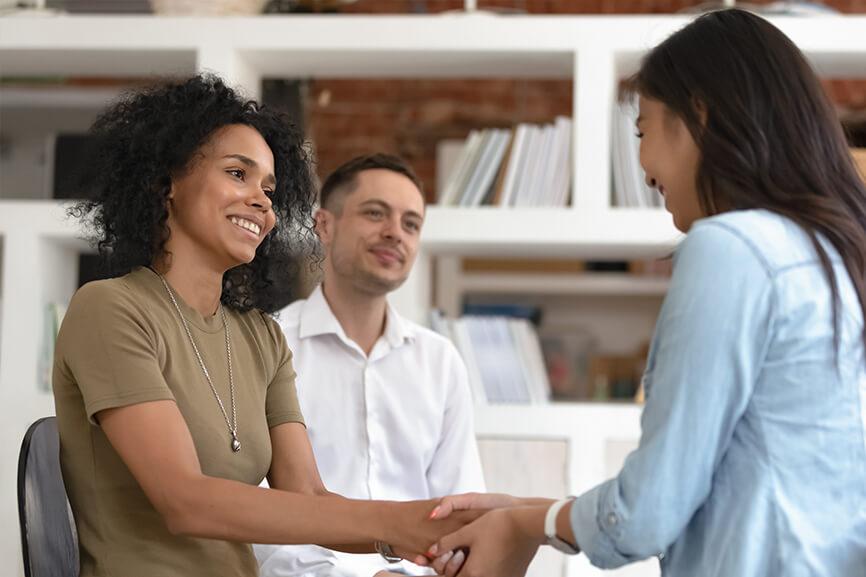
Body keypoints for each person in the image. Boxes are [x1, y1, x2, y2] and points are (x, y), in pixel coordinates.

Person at [424, 9, 866, 577]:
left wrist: (524, 523)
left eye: (642, 130)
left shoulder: (732, 248)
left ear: (699, 115)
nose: (642, 163)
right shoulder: (835, 254)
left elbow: (646, 513)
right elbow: (721, 487)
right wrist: (535, 512)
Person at [53, 74, 475, 577]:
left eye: (269, 189)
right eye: (237, 174)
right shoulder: (110, 309)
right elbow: (185, 501)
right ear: (165, 182)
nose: (262, 202)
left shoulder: (262, 338)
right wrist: (395, 523)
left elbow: (309, 497)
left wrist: (414, 543)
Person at [254, 154, 486, 577]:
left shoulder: (440, 361)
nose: (395, 233)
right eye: (376, 213)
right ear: (324, 225)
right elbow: (253, 510)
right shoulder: (269, 344)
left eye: (411, 224)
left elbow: (461, 509)